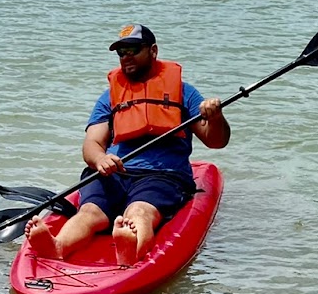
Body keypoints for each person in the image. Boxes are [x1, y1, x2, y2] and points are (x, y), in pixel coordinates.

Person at [25, 24, 229, 267]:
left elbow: (216, 141)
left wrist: (215, 117)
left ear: (153, 50)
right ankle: (57, 246)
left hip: (162, 176)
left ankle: (131, 248)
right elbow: (92, 143)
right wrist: (100, 159)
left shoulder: (183, 92)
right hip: (113, 173)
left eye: (133, 49)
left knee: (139, 212)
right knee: (90, 213)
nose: (126, 57)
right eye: (121, 52)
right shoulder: (110, 96)